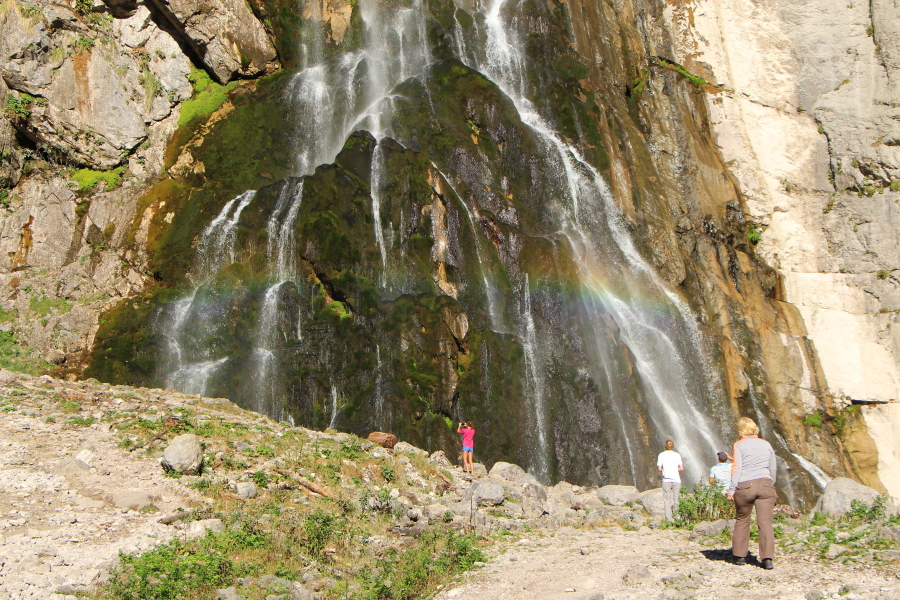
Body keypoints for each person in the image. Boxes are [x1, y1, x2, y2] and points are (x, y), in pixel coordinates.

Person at [727, 417, 777, 570]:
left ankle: (740, 556)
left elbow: (737, 468)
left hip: (745, 485)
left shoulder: (739, 445)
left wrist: (731, 489)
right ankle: (767, 558)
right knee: (765, 523)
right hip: (765, 484)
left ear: (741, 429)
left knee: (742, 519)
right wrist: (770, 483)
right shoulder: (766, 444)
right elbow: (773, 467)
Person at [657, 439, 684, 521]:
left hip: (666, 480)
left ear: (665, 446)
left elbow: (659, 468)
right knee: (677, 499)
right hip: (676, 479)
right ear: (673, 446)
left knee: (667, 500)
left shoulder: (661, 455)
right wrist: (675, 470)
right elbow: (681, 468)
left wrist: (665, 470)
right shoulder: (677, 455)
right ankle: (677, 518)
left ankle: (668, 519)